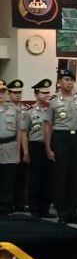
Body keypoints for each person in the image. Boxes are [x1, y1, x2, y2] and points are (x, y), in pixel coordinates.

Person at [45, 67, 77, 224]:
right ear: (59, 82)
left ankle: (73, 212)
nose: (69, 83)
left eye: (71, 80)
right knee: (61, 176)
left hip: (76, 138)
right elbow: (48, 125)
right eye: (66, 80)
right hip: (60, 138)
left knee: (76, 176)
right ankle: (61, 212)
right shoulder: (53, 102)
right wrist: (48, 148)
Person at [23, 79, 55, 219]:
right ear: (36, 95)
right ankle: (34, 209)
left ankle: (45, 208)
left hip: (50, 147)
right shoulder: (29, 112)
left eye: (48, 92)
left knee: (48, 179)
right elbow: (24, 133)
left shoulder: (53, 110)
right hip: (35, 146)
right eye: (43, 92)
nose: (47, 95)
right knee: (35, 179)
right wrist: (26, 152)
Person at [0, 80, 22, 216]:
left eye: (3, 91)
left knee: (8, 181)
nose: (1, 94)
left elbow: (19, 131)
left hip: (10, 147)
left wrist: (18, 153)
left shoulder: (14, 109)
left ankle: (6, 208)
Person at [8, 80, 28, 213]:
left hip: (23, 146)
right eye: (15, 92)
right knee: (9, 177)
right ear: (9, 93)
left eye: (20, 92)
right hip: (10, 145)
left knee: (21, 176)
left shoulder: (25, 108)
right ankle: (8, 202)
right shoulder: (6, 108)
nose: (18, 95)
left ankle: (19, 202)